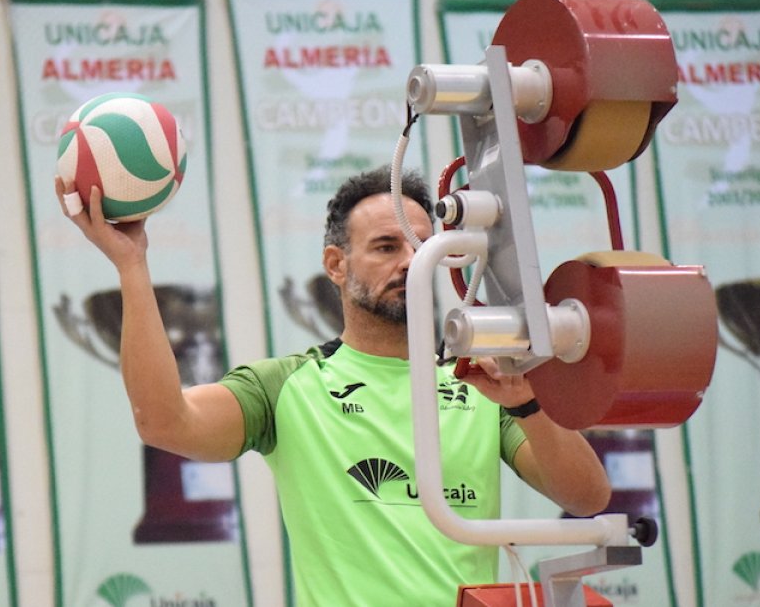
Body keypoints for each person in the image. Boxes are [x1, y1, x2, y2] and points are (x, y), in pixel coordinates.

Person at [56, 166, 610, 606]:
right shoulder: (285, 386)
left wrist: (531, 406)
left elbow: (588, 497)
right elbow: (162, 421)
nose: (411, 263)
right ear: (336, 265)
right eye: (386, 247)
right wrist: (132, 265)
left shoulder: (486, 383)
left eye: (422, 246)